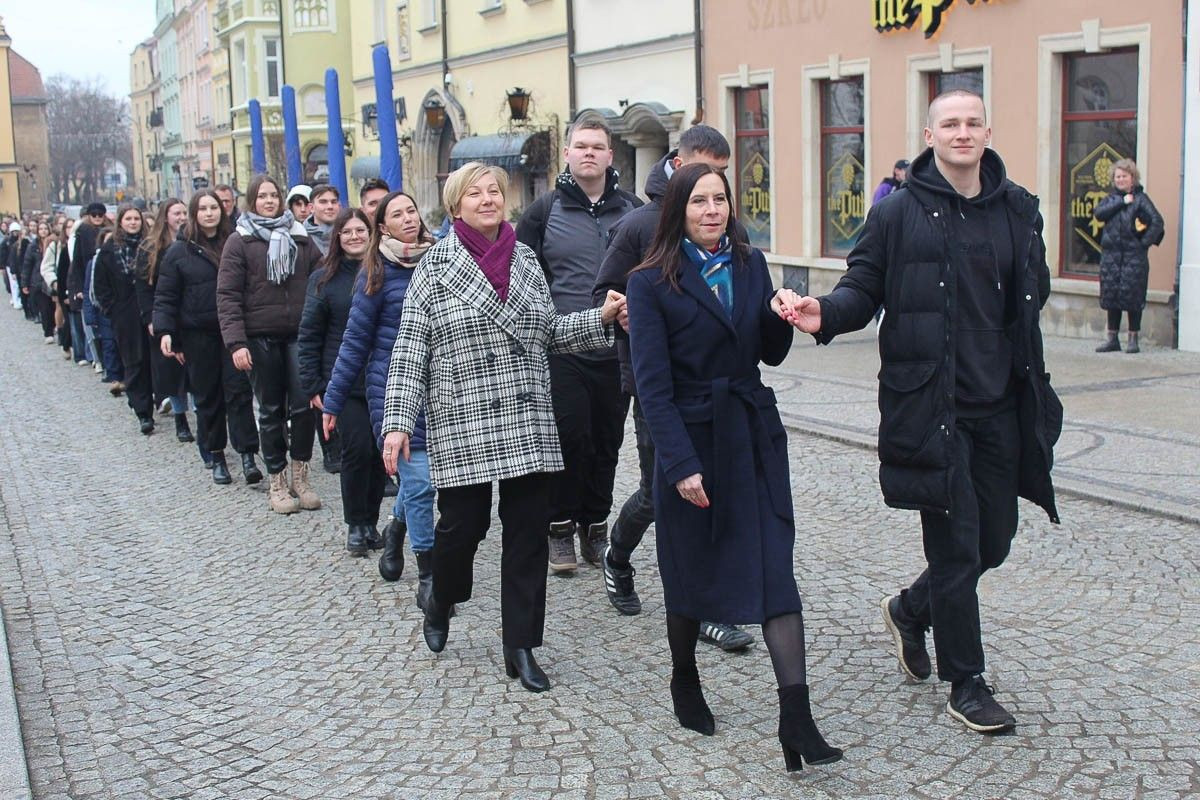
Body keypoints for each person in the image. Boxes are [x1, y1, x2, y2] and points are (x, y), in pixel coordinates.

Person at [789, 90, 1062, 734]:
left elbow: (1034, 290)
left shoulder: (1020, 210)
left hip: (1001, 405)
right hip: (932, 408)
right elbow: (863, 286)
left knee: (995, 540)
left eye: (972, 122)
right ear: (929, 133)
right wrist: (824, 313)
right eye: (950, 124)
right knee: (955, 546)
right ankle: (966, 681)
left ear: (988, 130)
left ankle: (911, 610)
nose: (962, 133)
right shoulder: (899, 212)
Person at [624, 162, 841, 770]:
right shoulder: (649, 282)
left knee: (775, 565)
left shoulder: (750, 263)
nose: (713, 210)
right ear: (678, 211)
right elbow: (652, 387)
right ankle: (684, 675)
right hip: (692, 439)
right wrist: (679, 464)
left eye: (720, 199)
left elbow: (769, 353)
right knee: (691, 569)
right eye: (699, 201)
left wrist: (783, 314)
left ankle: (795, 718)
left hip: (751, 433)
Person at [381, 162, 625, 693]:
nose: (489, 199)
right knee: (461, 529)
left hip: (525, 413)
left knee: (525, 537)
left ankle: (522, 644)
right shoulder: (435, 266)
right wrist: (398, 423)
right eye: (476, 193)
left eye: (495, 191)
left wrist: (601, 319)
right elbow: (409, 349)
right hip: (462, 416)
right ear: (455, 205)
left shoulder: (527, 261)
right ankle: (442, 596)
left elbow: (551, 332)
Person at [592, 124, 756, 651]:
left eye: (723, 181)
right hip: (656, 384)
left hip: (722, 391)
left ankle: (707, 604)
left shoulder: (729, 228)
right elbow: (606, 290)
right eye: (703, 172)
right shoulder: (641, 225)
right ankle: (619, 554)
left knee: (713, 490)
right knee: (664, 491)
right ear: (679, 163)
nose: (713, 194)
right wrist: (631, 317)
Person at [516, 118, 642, 575]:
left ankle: (595, 524)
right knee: (571, 437)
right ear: (566, 154)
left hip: (619, 347)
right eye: (580, 146)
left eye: (598, 147)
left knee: (607, 440)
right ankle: (560, 528)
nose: (589, 153)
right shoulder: (543, 211)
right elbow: (522, 277)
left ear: (611, 156)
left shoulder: (632, 210)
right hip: (563, 346)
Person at [323, 191, 437, 603]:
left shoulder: (441, 260)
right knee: (421, 481)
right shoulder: (375, 273)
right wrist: (333, 400)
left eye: (412, 210)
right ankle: (429, 576)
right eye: (397, 215)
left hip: (441, 388)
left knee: (421, 481)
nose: (408, 218)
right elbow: (354, 341)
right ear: (383, 227)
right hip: (392, 392)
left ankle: (394, 532)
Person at [217, 174, 323, 514]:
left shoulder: (301, 237)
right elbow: (228, 295)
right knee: (271, 411)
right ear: (252, 200)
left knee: (305, 407)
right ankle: (276, 479)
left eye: (273, 195)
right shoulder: (240, 241)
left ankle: (300, 474)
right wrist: (236, 343)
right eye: (262, 196)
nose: (268, 201)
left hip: (299, 335)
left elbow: (322, 278)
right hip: (260, 336)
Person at [154, 189, 263, 485]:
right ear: (194, 213)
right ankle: (216, 455)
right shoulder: (179, 252)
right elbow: (165, 297)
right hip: (197, 335)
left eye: (213, 207)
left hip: (234, 332)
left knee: (239, 393)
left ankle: (247, 455)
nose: (209, 213)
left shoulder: (237, 242)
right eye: (202, 208)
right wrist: (166, 332)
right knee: (208, 397)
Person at [298, 208, 378, 553]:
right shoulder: (323, 279)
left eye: (361, 230)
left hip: (381, 379)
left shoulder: (382, 272)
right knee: (356, 450)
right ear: (338, 238)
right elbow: (309, 335)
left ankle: (371, 521)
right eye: (347, 232)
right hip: (342, 381)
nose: (355, 236)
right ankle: (356, 524)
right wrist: (313, 384)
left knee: (378, 455)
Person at [93, 205, 156, 434]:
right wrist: (113, 309)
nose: (132, 222)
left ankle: (151, 398)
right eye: (128, 219)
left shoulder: (150, 246)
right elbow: (100, 286)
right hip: (124, 315)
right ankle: (143, 411)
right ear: (121, 222)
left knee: (151, 360)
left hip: (148, 310)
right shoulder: (110, 250)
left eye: (136, 219)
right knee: (134, 362)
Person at [138, 198, 196, 443]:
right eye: (176, 213)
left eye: (184, 212)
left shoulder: (193, 242)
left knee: (194, 370)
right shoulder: (151, 248)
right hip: (165, 316)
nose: (181, 217)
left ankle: (201, 414)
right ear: (166, 216)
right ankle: (181, 417)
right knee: (172, 371)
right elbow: (144, 287)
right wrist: (152, 318)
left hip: (191, 314)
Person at [1092, 158, 1164, 354]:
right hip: (1111, 257)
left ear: (1133, 178)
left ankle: (1133, 339)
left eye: (1124, 176)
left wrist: (1142, 244)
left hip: (1134, 257)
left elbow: (1157, 222)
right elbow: (1099, 213)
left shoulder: (1142, 199)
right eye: (1118, 176)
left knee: (1133, 297)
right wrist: (1122, 202)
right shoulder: (1111, 199)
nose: (1121, 179)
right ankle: (1112, 338)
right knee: (1112, 297)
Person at [24, 220, 56, 342]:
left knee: (53, 306)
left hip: (51, 279)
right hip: (38, 281)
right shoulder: (32, 246)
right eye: (41, 229)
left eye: (45, 228)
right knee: (44, 308)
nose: (43, 231)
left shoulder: (54, 244)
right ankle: (48, 332)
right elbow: (27, 265)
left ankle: (54, 326)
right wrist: (25, 283)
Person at [305, 184, 341, 257]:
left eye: (333, 202)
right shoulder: (302, 237)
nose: (330, 206)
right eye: (323, 202)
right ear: (311, 208)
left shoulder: (349, 234)